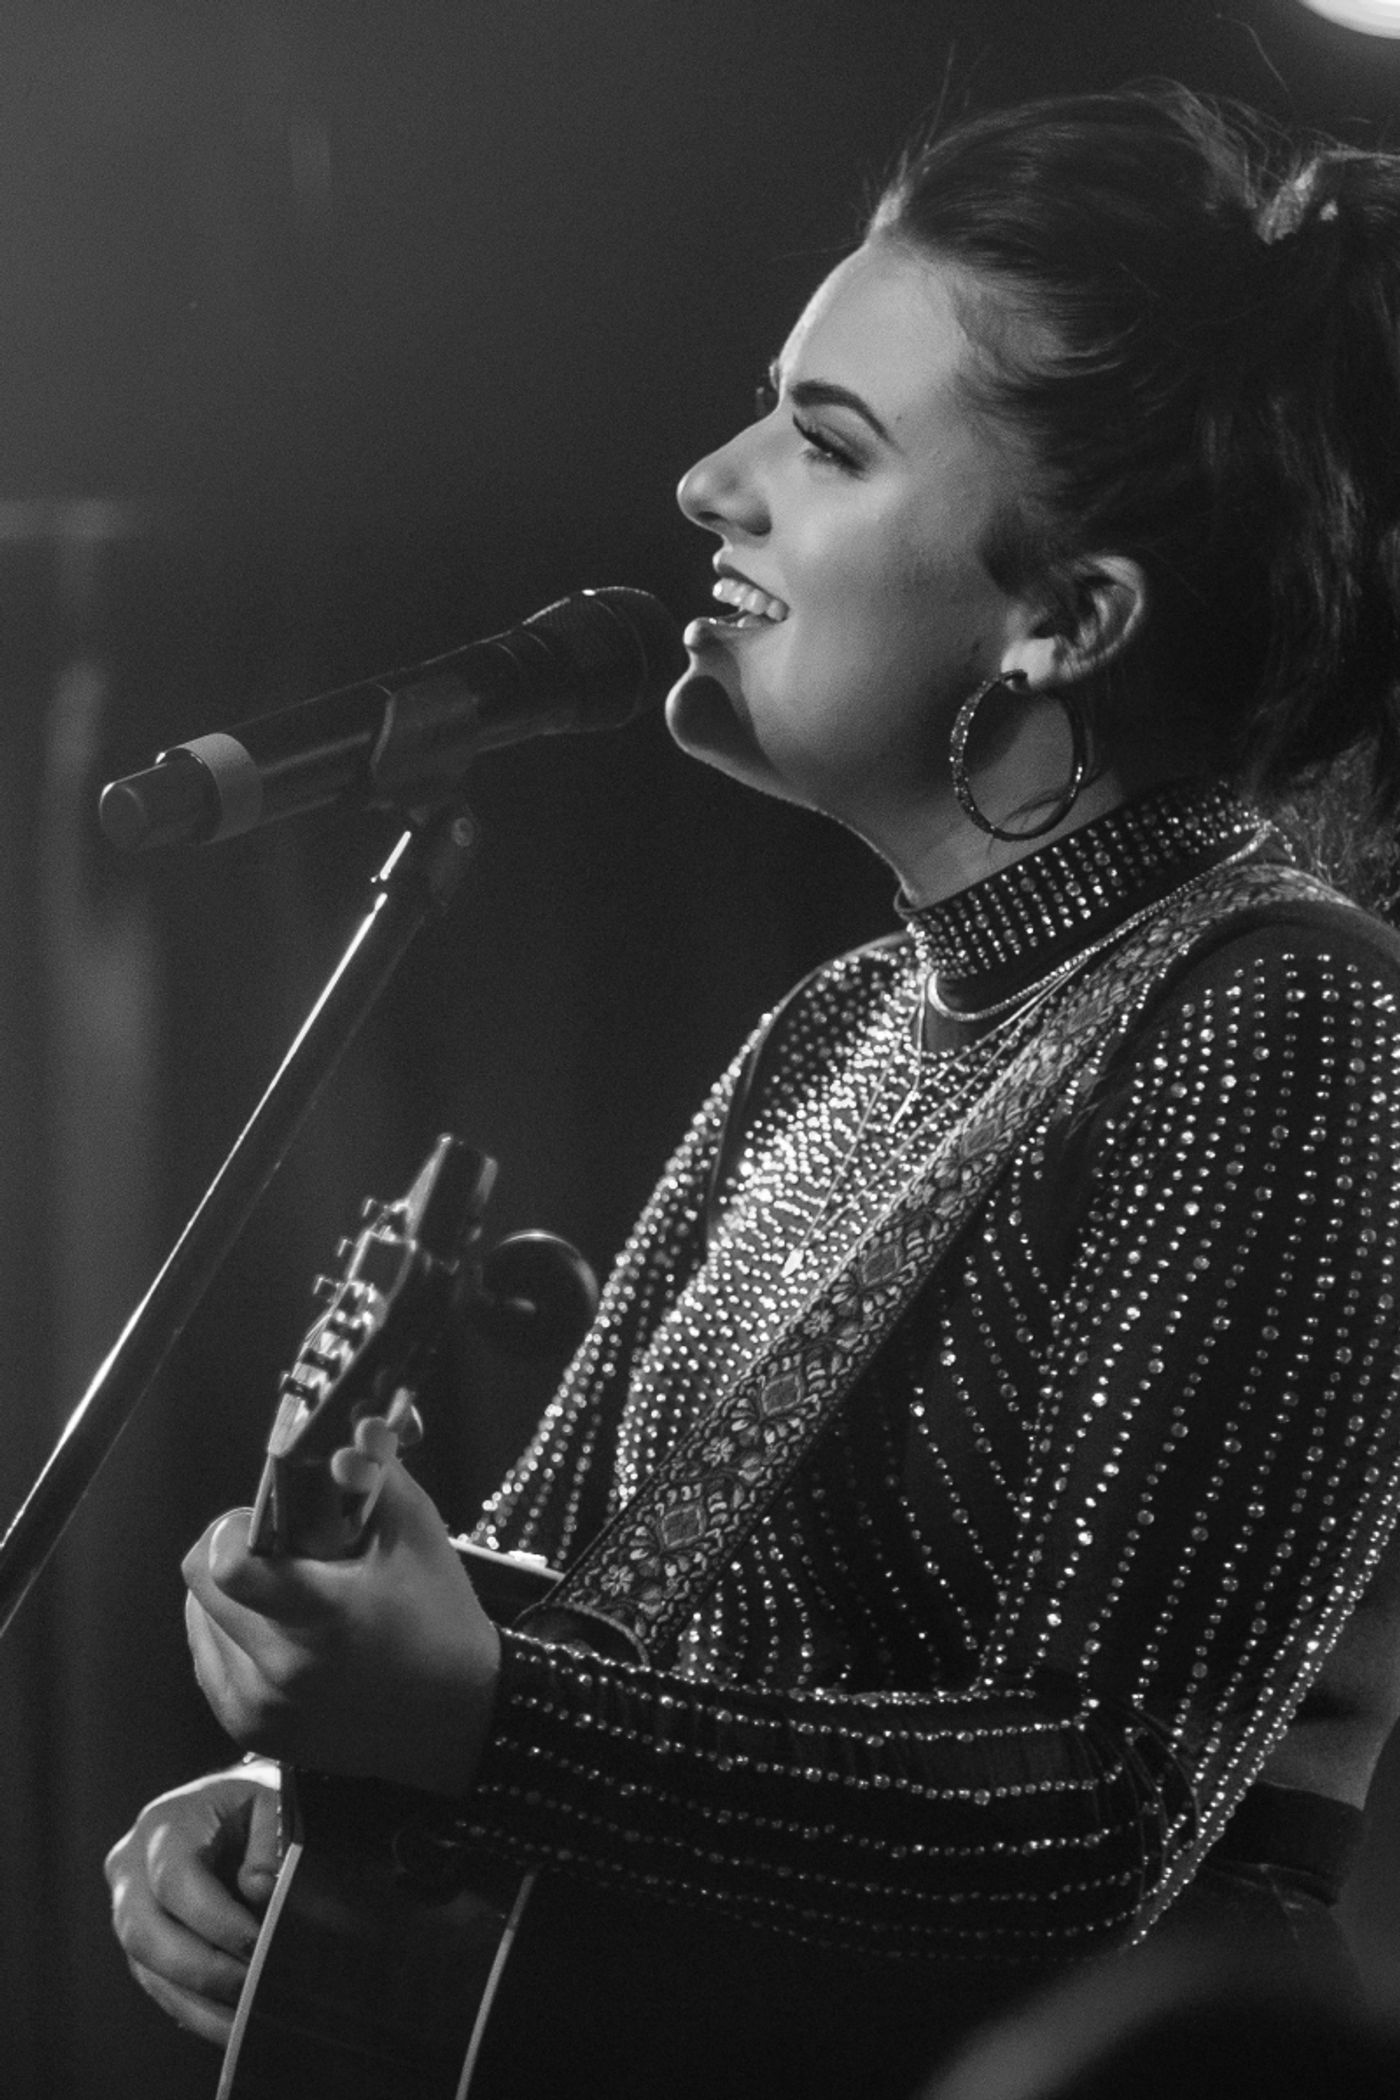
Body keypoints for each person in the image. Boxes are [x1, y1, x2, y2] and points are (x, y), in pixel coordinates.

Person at [106, 85, 1400, 2096]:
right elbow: (530, 1626)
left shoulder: (1282, 1015)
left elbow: (1099, 1814)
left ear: (1067, 616)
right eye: (763, 409)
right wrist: (310, 1788)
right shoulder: (828, 1031)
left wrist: (470, 1728)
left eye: (826, 441)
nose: (711, 484)